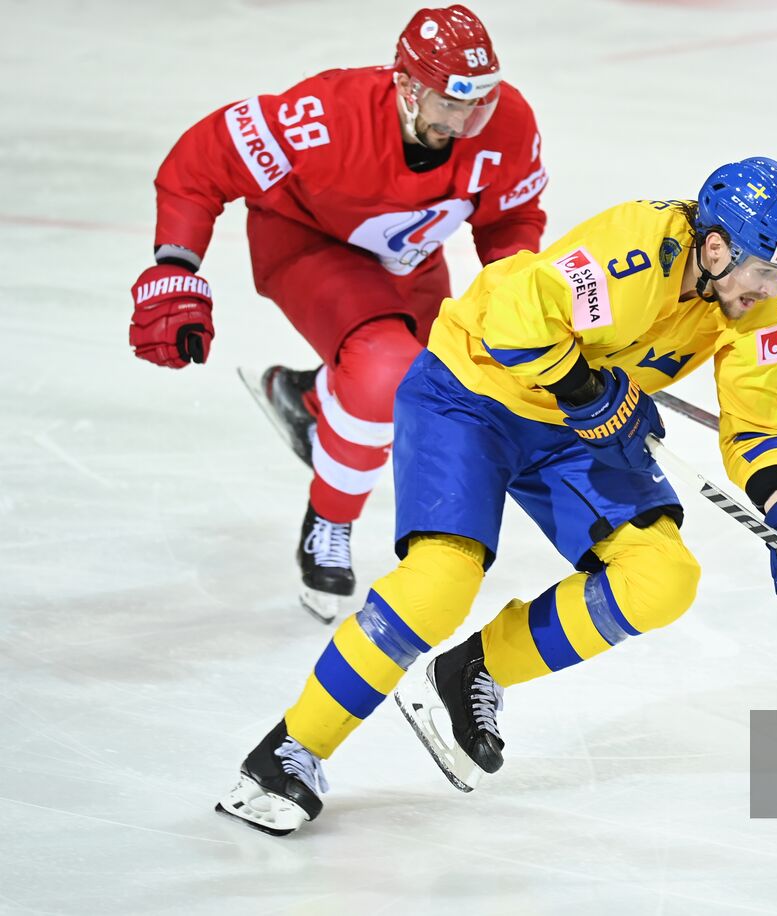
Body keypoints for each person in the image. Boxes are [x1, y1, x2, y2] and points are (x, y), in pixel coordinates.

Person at [214, 157, 777, 836]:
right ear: (717, 249)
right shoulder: (634, 249)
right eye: (764, 268)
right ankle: (288, 752)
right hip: (473, 392)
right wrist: (587, 391)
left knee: (663, 578)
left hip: (574, 425)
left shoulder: (760, 307)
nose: (774, 287)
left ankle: (473, 673)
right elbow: (515, 325)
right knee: (440, 585)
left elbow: (755, 424)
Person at [128, 5, 549, 621]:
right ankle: (330, 517)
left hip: (407, 261)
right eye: (450, 104)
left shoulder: (506, 122)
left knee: (438, 383)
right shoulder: (326, 115)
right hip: (309, 245)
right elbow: (203, 159)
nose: (465, 122)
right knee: (385, 371)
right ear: (406, 85)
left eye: (478, 104)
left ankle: (313, 401)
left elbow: (511, 217)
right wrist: (175, 264)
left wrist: (514, 292)